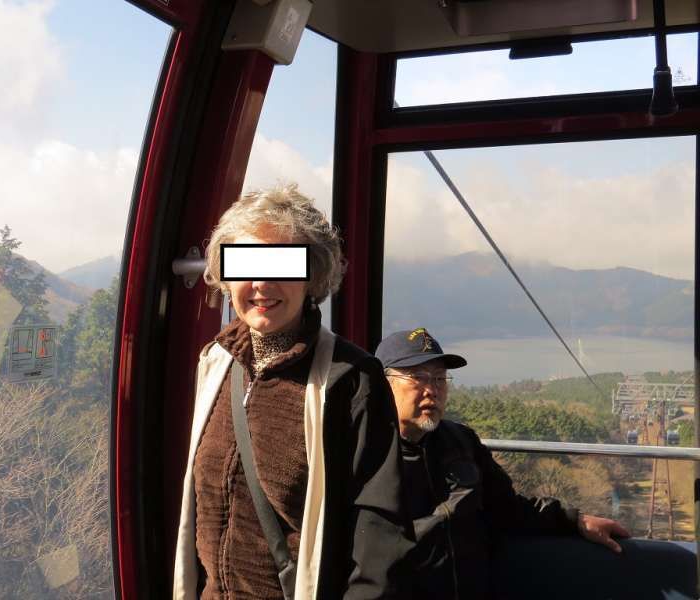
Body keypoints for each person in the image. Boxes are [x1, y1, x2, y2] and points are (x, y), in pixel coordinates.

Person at [173, 185, 411, 600]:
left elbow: (379, 533)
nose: (262, 283)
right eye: (245, 265)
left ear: (312, 276)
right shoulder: (214, 363)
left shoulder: (350, 379)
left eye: (283, 264)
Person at [375, 327, 631, 600]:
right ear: (383, 384)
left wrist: (574, 521)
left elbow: (507, 507)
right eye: (418, 377)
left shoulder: (461, 442)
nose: (432, 391)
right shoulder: (364, 453)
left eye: (440, 378)